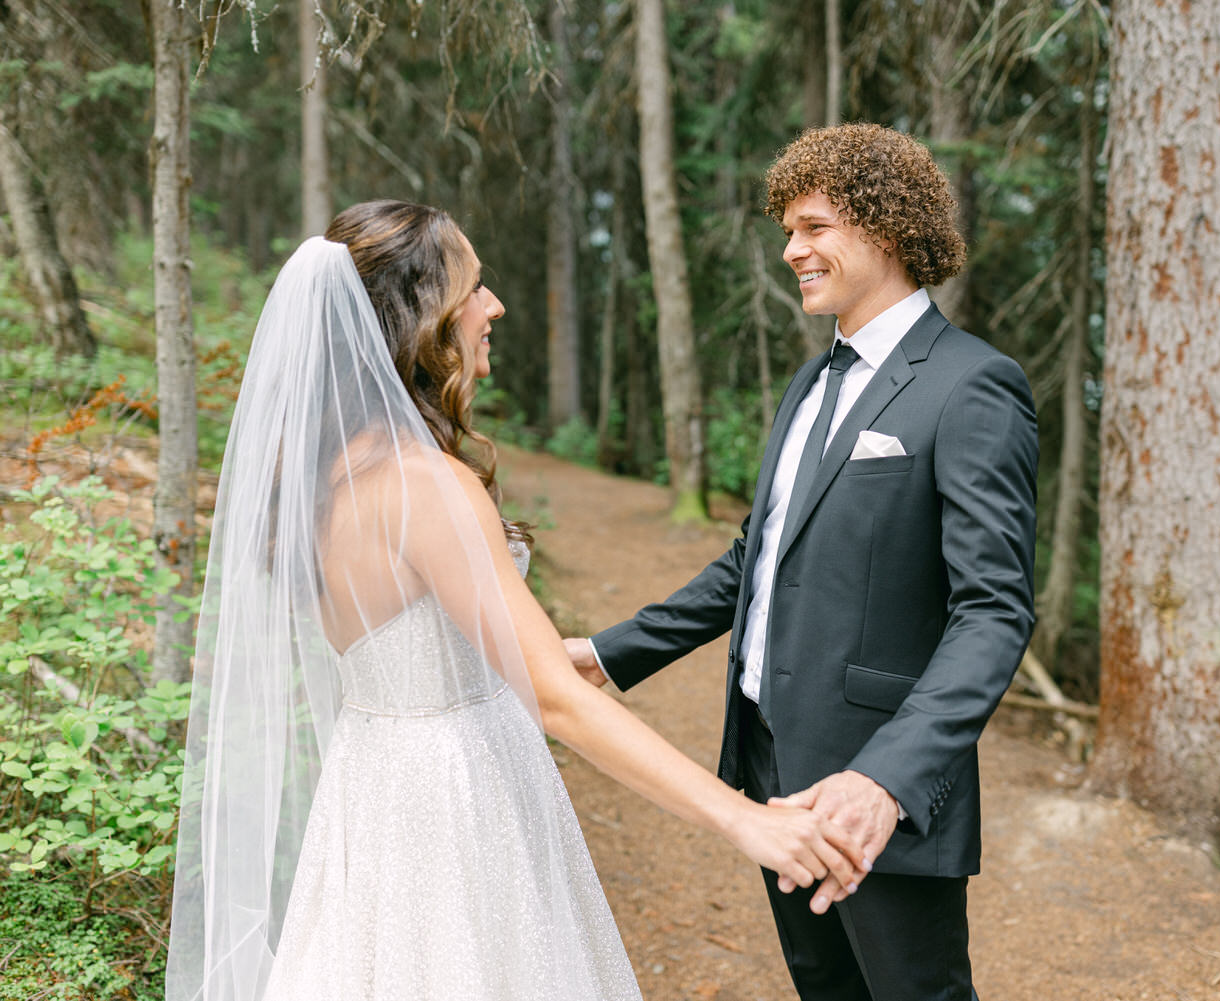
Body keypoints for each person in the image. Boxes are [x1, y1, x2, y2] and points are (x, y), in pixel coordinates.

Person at [164, 200, 866, 1001]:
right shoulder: (428, 486)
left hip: (374, 789)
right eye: (474, 288)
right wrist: (748, 821)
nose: (493, 306)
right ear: (419, 317)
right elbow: (556, 703)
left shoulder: (325, 478)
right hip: (456, 804)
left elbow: (420, 644)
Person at [565, 124, 1038, 1000]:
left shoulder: (973, 384)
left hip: (876, 785)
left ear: (886, 228)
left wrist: (886, 780)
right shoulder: (810, 383)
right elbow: (758, 557)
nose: (792, 250)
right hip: (769, 763)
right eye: (788, 230)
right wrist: (608, 651)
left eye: (814, 228)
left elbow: (994, 611)